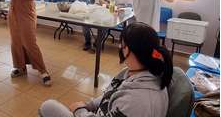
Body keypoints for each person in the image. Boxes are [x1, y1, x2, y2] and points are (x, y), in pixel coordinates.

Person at [39, 22, 173, 117]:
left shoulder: (138, 102)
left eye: (122, 44)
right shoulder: (138, 71)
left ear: (128, 50)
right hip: (98, 111)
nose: (120, 47)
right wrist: (88, 105)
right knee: (50, 106)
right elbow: (109, 94)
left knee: (47, 106)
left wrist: (79, 110)